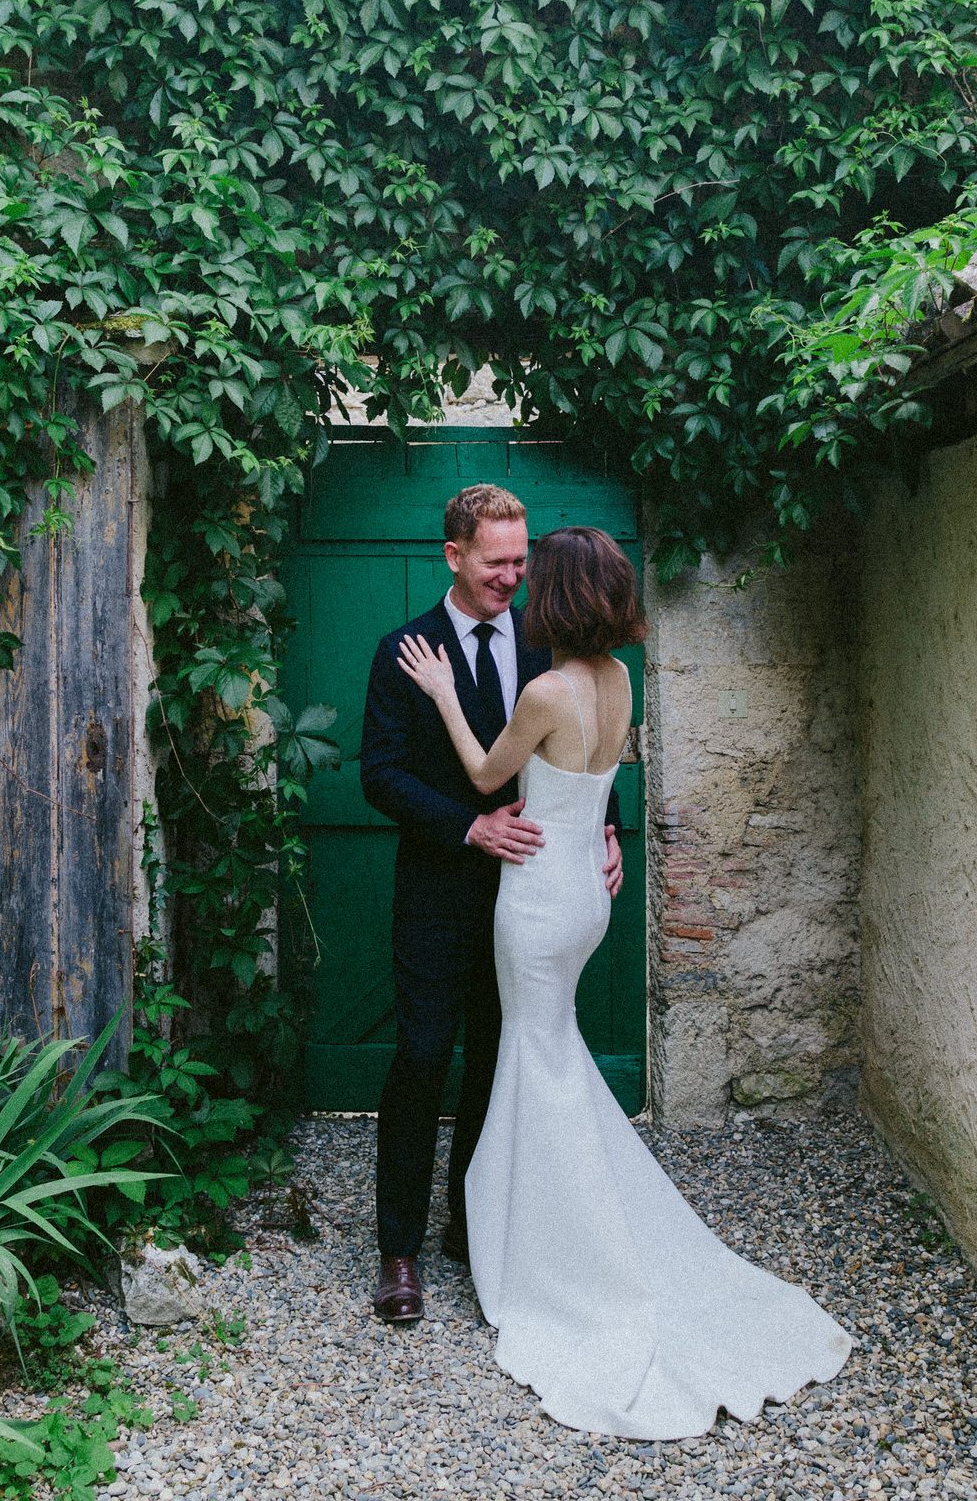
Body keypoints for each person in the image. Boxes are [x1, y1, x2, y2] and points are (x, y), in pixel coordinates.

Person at [392, 523, 853, 1440]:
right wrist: (602, 836)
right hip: (586, 898)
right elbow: (594, 786)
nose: (521, 590)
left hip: (534, 903)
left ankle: (559, 1252)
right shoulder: (617, 681)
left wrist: (445, 691)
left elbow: (488, 772)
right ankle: (519, 1225)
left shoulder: (547, 688)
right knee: (545, 1054)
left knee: (534, 1056)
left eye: (536, 580)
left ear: (558, 598)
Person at [357, 484, 623, 1326]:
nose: (514, 576)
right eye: (497, 562)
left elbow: (580, 747)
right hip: (440, 891)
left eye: (521, 560)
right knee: (423, 1057)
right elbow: (382, 775)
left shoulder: (556, 645)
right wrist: (468, 829)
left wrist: (603, 828)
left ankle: (473, 1230)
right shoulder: (405, 650)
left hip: (534, 900)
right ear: (455, 556)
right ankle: (398, 1250)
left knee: (496, 1066)